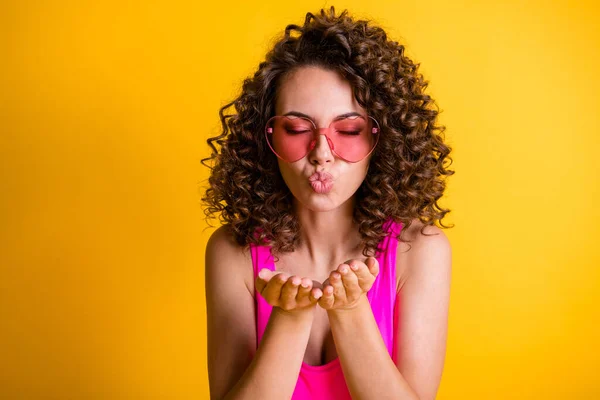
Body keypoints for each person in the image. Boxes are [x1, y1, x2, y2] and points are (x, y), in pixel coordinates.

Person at [200, 6, 454, 400]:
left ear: (380, 138)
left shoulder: (419, 250)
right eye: (298, 128)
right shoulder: (232, 252)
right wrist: (288, 317)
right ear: (265, 137)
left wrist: (351, 312)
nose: (322, 152)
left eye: (348, 129)